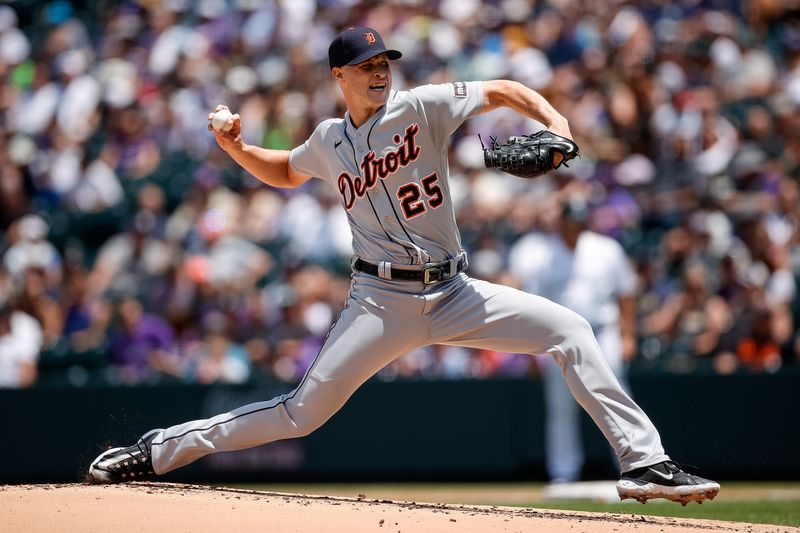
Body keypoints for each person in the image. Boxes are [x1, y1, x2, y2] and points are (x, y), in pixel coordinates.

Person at [88, 27, 719, 505]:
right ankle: (156, 451)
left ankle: (645, 463)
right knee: (298, 414)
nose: (379, 72)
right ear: (341, 75)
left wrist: (556, 122)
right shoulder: (329, 141)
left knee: (572, 330)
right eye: (366, 66)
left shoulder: (421, 107)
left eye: (384, 62)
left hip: (455, 290)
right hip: (378, 301)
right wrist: (238, 149)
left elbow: (502, 89)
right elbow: (283, 170)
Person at [508, 197, 637, 486]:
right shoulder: (543, 254)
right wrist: (529, 352)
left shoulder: (605, 249)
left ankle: (632, 466)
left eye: (578, 223)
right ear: (561, 222)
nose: (573, 228)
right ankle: (563, 472)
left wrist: (628, 335)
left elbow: (626, 293)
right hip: (560, 338)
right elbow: (530, 302)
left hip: (603, 331)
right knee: (561, 405)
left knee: (616, 397)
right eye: (569, 222)